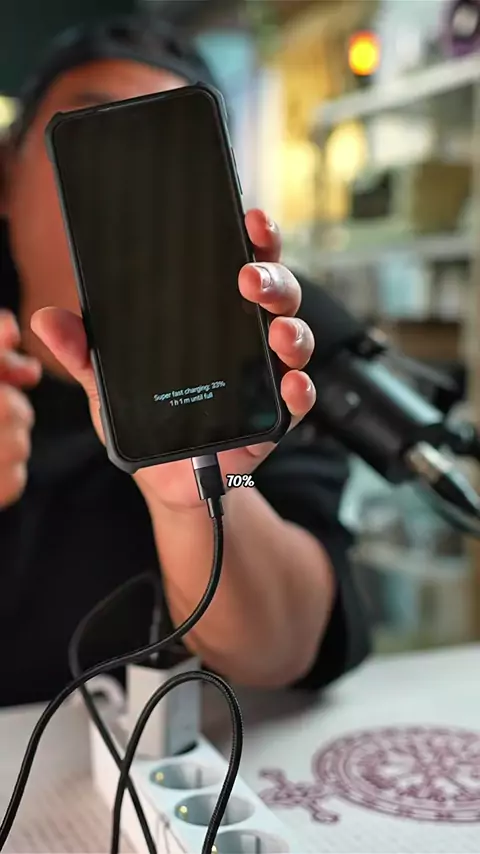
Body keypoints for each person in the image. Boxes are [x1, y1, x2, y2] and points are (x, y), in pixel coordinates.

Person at [0, 13, 370, 708]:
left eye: (167, 155)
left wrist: (203, 495)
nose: (129, 190)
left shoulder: (257, 358)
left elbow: (289, 644)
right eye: (96, 141)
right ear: (5, 173)